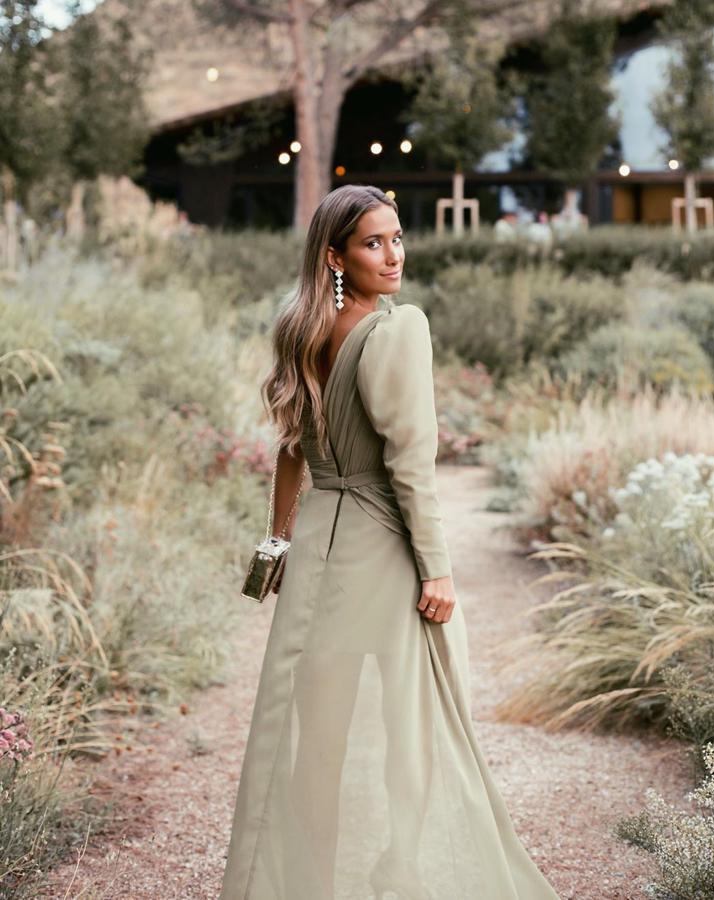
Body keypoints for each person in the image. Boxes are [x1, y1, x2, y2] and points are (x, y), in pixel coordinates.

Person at [218, 184, 560, 900]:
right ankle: (401, 876)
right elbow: (410, 467)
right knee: (415, 726)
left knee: (315, 730)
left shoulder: (300, 326)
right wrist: (436, 571)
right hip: (384, 550)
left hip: (318, 551)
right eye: (373, 243)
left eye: (397, 238)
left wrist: (277, 543)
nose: (393, 255)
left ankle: (307, 881)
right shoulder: (395, 330)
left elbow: (290, 451)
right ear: (335, 254)